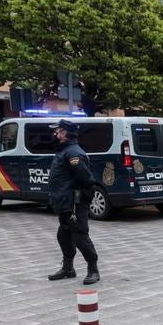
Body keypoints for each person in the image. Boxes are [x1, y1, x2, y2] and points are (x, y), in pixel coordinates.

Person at [46, 119, 100, 285]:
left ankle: (93, 270)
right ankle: (68, 268)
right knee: (63, 235)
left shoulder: (74, 154)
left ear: (64, 133)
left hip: (74, 204)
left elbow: (87, 180)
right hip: (63, 202)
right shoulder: (63, 151)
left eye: (57, 131)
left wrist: (81, 201)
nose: (54, 134)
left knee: (80, 236)